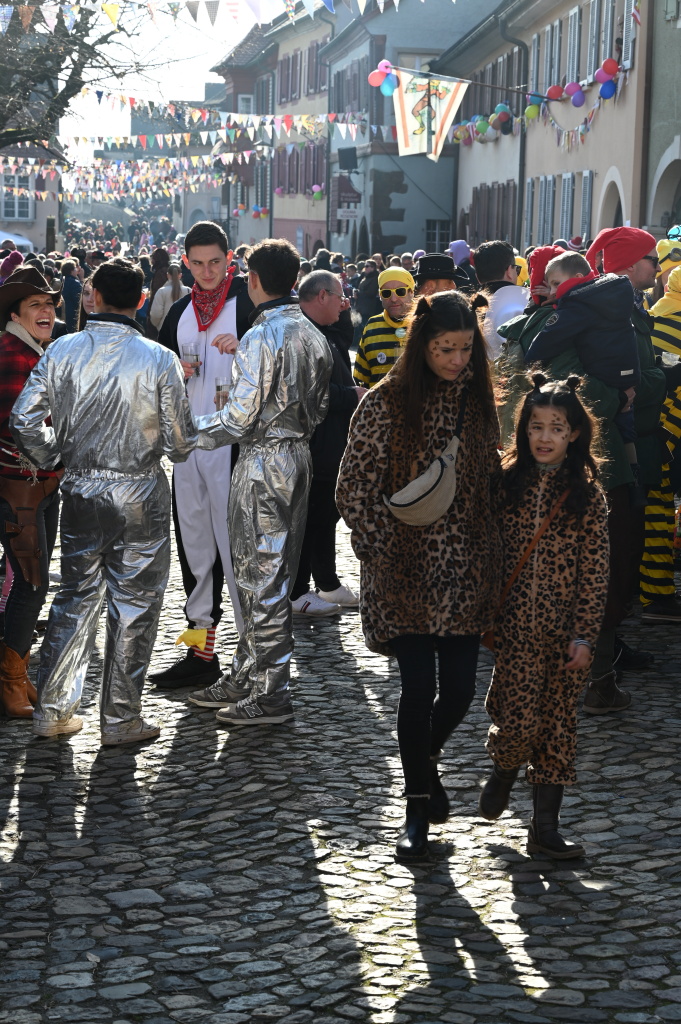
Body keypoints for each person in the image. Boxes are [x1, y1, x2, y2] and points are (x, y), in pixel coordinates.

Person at [337, 291, 502, 861]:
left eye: (463, 349)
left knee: (458, 691)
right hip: (402, 572)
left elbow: (488, 484)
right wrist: (382, 548)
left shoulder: (478, 402)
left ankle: (424, 765)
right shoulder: (385, 402)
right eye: (444, 349)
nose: (456, 360)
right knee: (418, 687)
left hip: (464, 572)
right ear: (422, 345)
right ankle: (415, 809)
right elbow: (352, 486)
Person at [10, 257, 197, 743]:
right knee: (134, 604)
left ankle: (53, 709)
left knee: (74, 597)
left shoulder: (62, 351)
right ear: (139, 299)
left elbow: (23, 420)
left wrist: (56, 455)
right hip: (139, 491)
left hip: (80, 489)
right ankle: (120, 717)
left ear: (92, 296)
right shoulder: (158, 359)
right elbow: (180, 443)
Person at [187, 238, 333, 726]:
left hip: (264, 459)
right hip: (296, 455)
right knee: (265, 570)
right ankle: (248, 671)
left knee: (262, 576)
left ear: (252, 281)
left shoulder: (262, 335)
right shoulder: (311, 332)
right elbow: (321, 407)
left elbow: (238, 420)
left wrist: (184, 434)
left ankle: (271, 691)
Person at [479, 375, 609, 858]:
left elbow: (596, 573)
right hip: (513, 634)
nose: (546, 437)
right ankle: (504, 767)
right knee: (517, 724)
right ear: (523, 429)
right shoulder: (506, 484)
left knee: (558, 727)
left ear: (574, 433)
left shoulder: (587, 497)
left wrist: (585, 636)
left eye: (557, 427)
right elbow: (485, 552)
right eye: (536, 426)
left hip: (564, 638)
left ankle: (545, 828)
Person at [152, 221, 253, 692]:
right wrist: (178, 368)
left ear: (229, 258)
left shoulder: (248, 305)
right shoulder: (178, 312)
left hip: (233, 447)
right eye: (198, 263)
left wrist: (246, 349)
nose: (208, 271)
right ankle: (200, 653)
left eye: (216, 262)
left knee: (236, 552)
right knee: (194, 551)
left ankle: (250, 654)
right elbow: (161, 376)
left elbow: (277, 367)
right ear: (186, 262)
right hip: (188, 446)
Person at [0, 266, 62, 718]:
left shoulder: (36, 350)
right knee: (29, 583)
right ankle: (11, 682)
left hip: (39, 485)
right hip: (18, 488)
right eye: (36, 305)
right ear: (16, 314)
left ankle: (16, 672)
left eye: (50, 304)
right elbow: (16, 427)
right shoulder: (10, 352)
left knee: (32, 583)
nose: (47, 311)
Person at [291, 269, 365, 617]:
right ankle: (297, 591)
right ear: (321, 296)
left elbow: (340, 334)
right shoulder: (302, 333)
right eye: (338, 296)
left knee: (325, 517)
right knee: (309, 519)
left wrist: (343, 313)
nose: (344, 301)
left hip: (330, 443)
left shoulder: (324, 329)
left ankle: (327, 583)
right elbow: (309, 393)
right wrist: (352, 395)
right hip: (313, 444)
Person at [524, 251, 640, 454]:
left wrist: (529, 364)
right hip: (626, 378)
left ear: (578, 279)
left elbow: (547, 341)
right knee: (625, 436)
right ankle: (633, 469)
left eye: (556, 284)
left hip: (600, 379)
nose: (552, 291)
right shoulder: (606, 295)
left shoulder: (578, 305)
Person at [354, 267, 415, 388]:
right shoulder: (372, 326)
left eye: (400, 291)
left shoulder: (425, 323)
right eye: (386, 293)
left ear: (411, 292)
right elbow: (360, 377)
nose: (393, 299)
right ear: (380, 295)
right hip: (379, 405)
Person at [473, 240, 529, 358]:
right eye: (516, 269)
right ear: (509, 271)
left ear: (477, 277)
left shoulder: (469, 306)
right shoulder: (528, 304)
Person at [149, 263, 190, 332]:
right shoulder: (189, 291)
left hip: (165, 331)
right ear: (180, 275)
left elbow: (156, 314)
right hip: (184, 330)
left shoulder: (161, 292)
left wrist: (158, 325)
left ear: (167, 275)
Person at [354, 258, 381, 329]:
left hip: (367, 307)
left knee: (366, 328)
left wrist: (359, 293)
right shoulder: (365, 277)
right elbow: (358, 285)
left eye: (367, 266)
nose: (365, 268)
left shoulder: (375, 278)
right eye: (365, 266)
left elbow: (371, 292)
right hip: (361, 306)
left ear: (373, 268)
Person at [59, 259, 83, 332]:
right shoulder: (75, 283)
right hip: (72, 314)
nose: (77, 270)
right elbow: (79, 301)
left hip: (62, 313)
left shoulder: (60, 281)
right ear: (71, 271)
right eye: (75, 268)